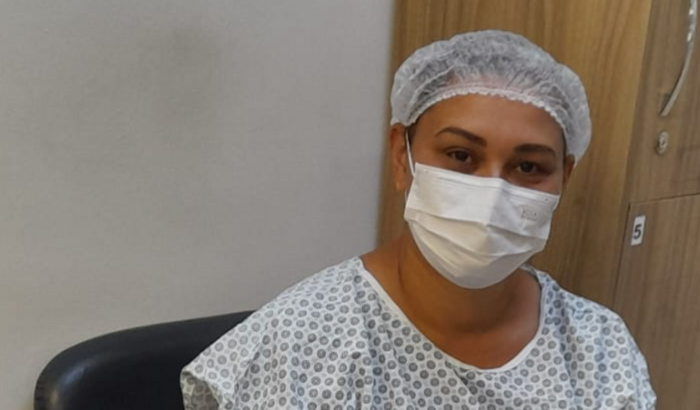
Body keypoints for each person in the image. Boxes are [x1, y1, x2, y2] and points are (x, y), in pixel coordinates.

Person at [181, 30, 656, 409]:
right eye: (460, 155)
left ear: (564, 178)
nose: (493, 195)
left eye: (528, 166)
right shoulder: (300, 346)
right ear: (400, 156)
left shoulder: (598, 350)